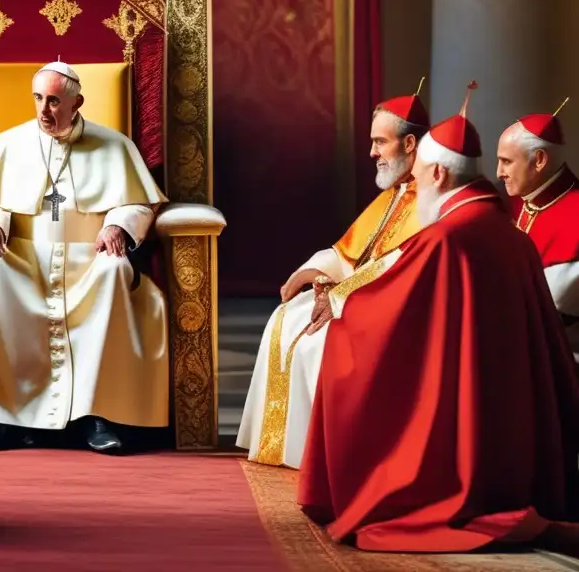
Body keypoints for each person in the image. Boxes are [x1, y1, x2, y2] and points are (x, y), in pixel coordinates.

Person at [298, 83, 579, 553]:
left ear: (441, 175)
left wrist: (344, 314)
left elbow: (389, 314)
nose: (419, 189)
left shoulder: (447, 238)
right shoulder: (509, 233)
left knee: (342, 347)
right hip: (505, 402)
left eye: (423, 179)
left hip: (466, 398)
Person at [0, 60, 168, 454]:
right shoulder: (5, 145)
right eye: (38, 99)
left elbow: (140, 203)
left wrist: (118, 224)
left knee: (114, 270)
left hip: (91, 256)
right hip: (23, 256)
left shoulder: (115, 145)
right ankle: (1, 418)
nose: (44, 110)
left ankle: (97, 414)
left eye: (54, 100)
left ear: (77, 101)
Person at [236, 82, 429, 468]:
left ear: (409, 145)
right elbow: (352, 251)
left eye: (380, 142)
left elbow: (400, 270)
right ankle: (281, 447)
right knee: (285, 317)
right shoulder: (395, 191)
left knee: (312, 342)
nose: (372, 152)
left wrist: (336, 294)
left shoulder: (429, 199)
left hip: (393, 308)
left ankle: (320, 456)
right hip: (359, 293)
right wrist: (313, 272)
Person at [497, 99, 579, 358]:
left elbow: (556, 309)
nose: (499, 172)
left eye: (507, 162)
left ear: (539, 160)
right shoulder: (516, 199)